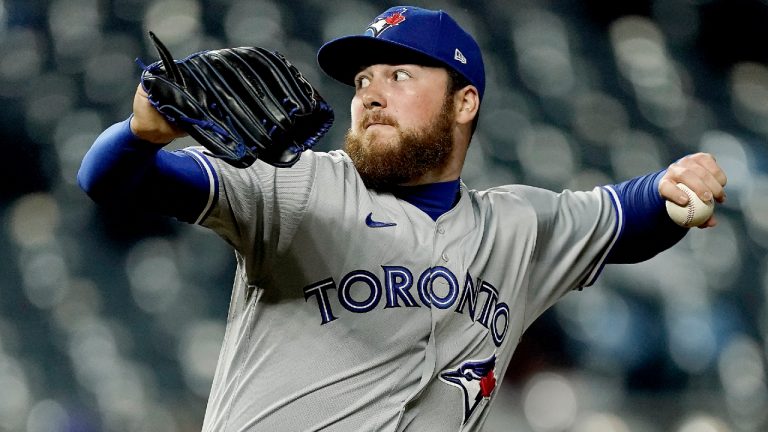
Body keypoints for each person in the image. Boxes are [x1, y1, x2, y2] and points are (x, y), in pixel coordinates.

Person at [77, 6, 727, 432]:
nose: (370, 94)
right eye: (361, 82)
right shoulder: (292, 184)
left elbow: (630, 215)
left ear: (465, 101)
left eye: (397, 74)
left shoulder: (518, 227)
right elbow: (110, 179)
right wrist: (141, 131)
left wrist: (680, 184)